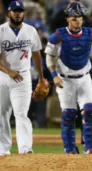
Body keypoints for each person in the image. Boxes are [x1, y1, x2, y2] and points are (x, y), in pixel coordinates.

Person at [45, 1, 92, 154]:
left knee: (90, 111)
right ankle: (69, 149)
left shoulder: (90, 34)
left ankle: (89, 147)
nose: (78, 21)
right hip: (65, 79)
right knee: (69, 115)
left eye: (80, 17)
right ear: (68, 19)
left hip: (84, 77)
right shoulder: (59, 35)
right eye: (74, 18)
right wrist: (54, 76)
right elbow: (49, 57)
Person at [0, 1, 46, 155]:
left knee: (21, 113)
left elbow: (37, 53)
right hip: (3, 77)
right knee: (2, 114)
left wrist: (41, 78)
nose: (18, 13)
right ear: (8, 13)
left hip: (24, 77)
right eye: (15, 11)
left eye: (20, 11)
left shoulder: (31, 30)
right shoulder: (1, 31)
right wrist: (9, 71)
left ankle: (25, 148)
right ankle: (3, 149)